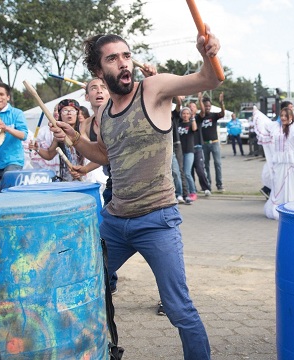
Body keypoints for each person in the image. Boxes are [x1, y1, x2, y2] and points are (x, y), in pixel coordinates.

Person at [51, 28, 222, 359]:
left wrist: (208, 53)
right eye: (113, 58)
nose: (123, 63)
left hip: (156, 220)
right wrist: (74, 136)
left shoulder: (153, 90)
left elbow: (209, 79)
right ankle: (97, 350)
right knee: (84, 287)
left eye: (126, 55)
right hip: (114, 222)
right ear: (99, 72)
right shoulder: (104, 114)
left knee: (178, 308)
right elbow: (105, 154)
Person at [0, 82, 28, 193]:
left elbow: (23, 135)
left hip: (13, 160)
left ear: (8, 97)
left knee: (9, 191)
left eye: (1, 94)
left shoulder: (17, 113)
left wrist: (6, 128)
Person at [32, 99, 87, 181]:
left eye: (72, 110)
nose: (69, 113)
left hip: (87, 175)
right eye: (65, 111)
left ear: (77, 114)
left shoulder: (85, 130)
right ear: (60, 115)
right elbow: (49, 155)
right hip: (68, 179)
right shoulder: (59, 135)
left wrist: (85, 169)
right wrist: (37, 148)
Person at [200, 92, 225, 192]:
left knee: (217, 163)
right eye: (206, 106)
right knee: (206, 165)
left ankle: (219, 185)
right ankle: (208, 185)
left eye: (209, 106)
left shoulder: (214, 116)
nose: (208, 107)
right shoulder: (200, 117)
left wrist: (221, 103)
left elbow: (222, 114)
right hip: (204, 144)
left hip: (214, 143)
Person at [178, 106, 199, 201]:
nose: (185, 115)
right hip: (180, 151)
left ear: (190, 115)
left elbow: (195, 129)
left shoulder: (191, 123)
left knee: (187, 172)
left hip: (189, 151)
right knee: (181, 173)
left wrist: (193, 117)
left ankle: (193, 192)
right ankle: (184, 192)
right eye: (183, 113)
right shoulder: (178, 124)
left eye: (187, 113)